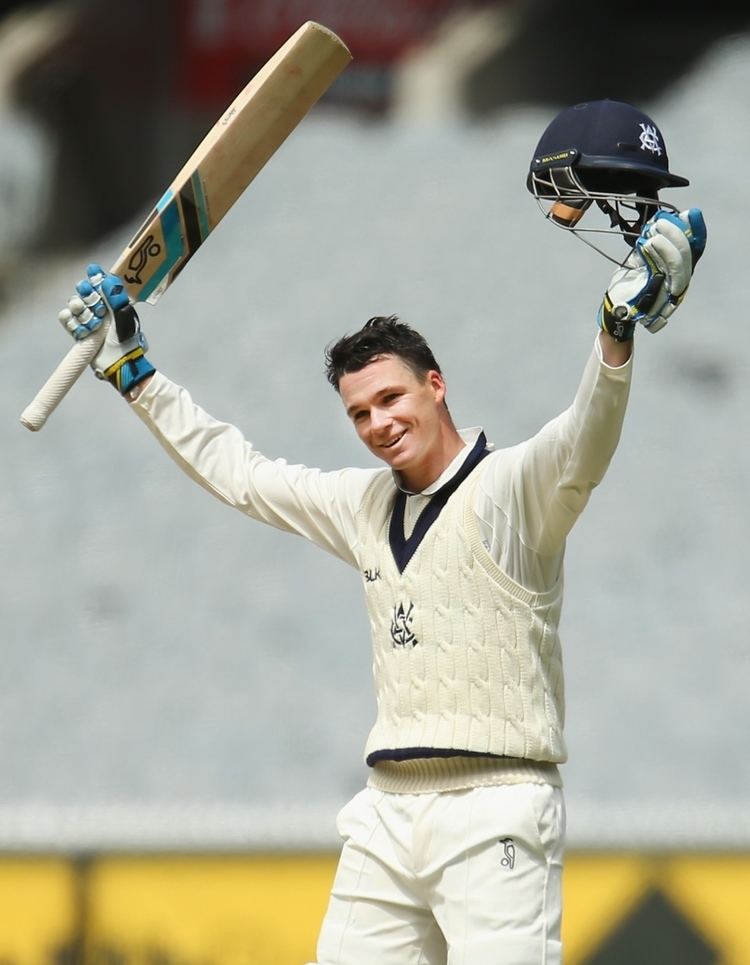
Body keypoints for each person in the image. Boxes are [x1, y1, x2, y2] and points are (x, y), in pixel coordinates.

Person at [56, 99, 705, 964]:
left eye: (392, 398)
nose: (378, 423)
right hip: (387, 813)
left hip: (498, 807)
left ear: (437, 385)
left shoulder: (514, 489)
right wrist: (135, 370)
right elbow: (241, 473)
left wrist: (614, 332)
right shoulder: (361, 507)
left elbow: (584, 438)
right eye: (360, 412)